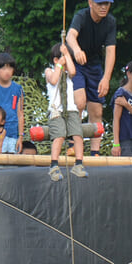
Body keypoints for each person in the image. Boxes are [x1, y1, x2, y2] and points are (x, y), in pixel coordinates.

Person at [66, 0, 118, 155]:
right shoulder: (81, 16)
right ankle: (72, 143)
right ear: (90, 3)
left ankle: (95, 151)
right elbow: (70, 36)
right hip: (77, 63)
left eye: (106, 3)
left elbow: (111, 51)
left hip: (95, 65)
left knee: (97, 110)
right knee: (80, 102)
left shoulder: (110, 22)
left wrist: (106, 78)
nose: (103, 7)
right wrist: (77, 50)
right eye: (99, 3)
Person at [45, 42, 87, 181]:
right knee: (60, 135)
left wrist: (67, 54)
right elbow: (53, 80)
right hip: (57, 110)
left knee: (78, 135)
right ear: (55, 60)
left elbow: (73, 71)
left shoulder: (69, 74)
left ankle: (79, 163)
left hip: (71, 109)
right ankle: (54, 165)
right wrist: (59, 65)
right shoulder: (49, 71)